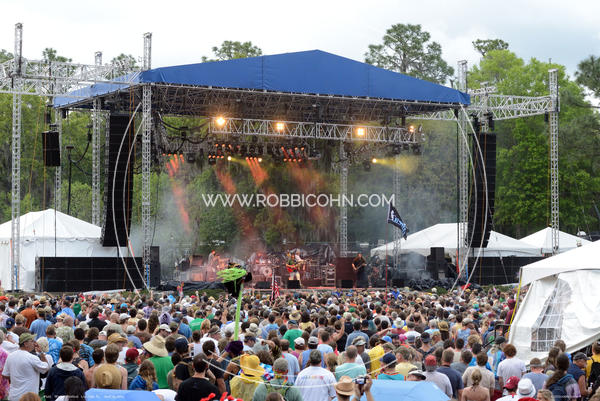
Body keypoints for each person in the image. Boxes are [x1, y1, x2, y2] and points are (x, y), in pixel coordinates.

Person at [2, 333, 50, 401]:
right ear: (25, 344)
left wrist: (16, 377)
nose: (34, 343)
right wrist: (41, 353)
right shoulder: (32, 358)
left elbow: (5, 374)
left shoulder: (10, 356)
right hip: (28, 397)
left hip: (14, 396)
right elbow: (46, 367)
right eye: (32, 341)